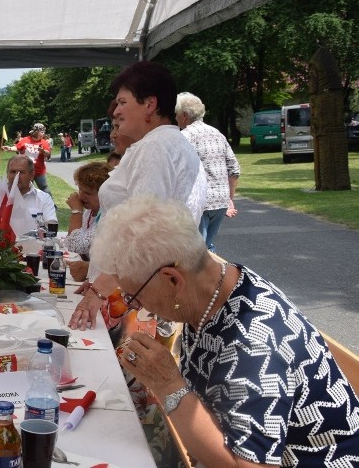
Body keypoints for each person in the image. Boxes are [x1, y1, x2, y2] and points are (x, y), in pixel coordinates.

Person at [92, 195, 359, 466]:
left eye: (133, 293)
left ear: (172, 280)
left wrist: (167, 385)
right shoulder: (218, 287)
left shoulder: (252, 342)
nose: (131, 304)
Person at [70, 61, 206, 331]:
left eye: (122, 102)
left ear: (150, 105)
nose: (117, 110)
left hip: (136, 293)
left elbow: (142, 234)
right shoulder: (161, 144)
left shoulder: (156, 147)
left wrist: (99, 291)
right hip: (131, 288)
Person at [175, 92, 240, 252]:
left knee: (196, 249)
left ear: (184, 115)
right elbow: (234, 169)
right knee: (208, 245)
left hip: (199, 201)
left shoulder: (184, 136)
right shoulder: (217, 134)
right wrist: (229, 199)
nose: (175, 118)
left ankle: (206, 276)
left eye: (176, 114)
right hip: (220, 200)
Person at [63, 161, 111, 280]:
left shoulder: (107, 215)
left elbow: (76, 246)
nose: (82, 197)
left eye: (88, 193)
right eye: (80, 190)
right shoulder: (89, 213)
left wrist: (76, 211)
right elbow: (70, 244)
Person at [2, 123, 51, 192]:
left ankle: (50, 202)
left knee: (44, 187)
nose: (43, 134)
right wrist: (9, 148)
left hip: (39, 171)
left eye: (44, 132)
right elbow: (17, 147)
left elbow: (48, 154)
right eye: (42, 132)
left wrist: (43, 151)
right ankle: (25, 202)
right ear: (36, 132)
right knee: (26, 189)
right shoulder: (25, 140)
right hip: (25, 171)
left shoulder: (44, 142)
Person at [5, 156, 56, 223]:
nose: (16, 176)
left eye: (21, 172)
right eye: (13, 172)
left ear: (32, 175)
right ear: (7, 174)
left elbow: (51, 227)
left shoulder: (44, 199)